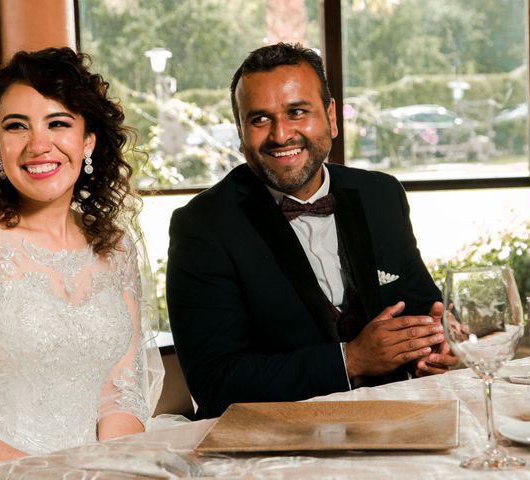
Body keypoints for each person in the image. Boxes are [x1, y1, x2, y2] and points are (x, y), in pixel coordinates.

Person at [166, 43, 457, 420]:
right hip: (275, 444)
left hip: (395, 423)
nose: (281, 134)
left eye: (297, 112)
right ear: (240, 132)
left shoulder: (381, 194)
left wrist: (436, 344)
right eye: (259, 120)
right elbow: (216, 382)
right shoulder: (202, 226)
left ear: (331, 117)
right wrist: (350, 360)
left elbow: (421, 309)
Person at [0, 47, 164, 479]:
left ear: (88, 140)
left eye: (58, 123)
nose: (38, 145)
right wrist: (47, 475)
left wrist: (115, 469)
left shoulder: (116, 249)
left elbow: (120, 394)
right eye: (17, 126)